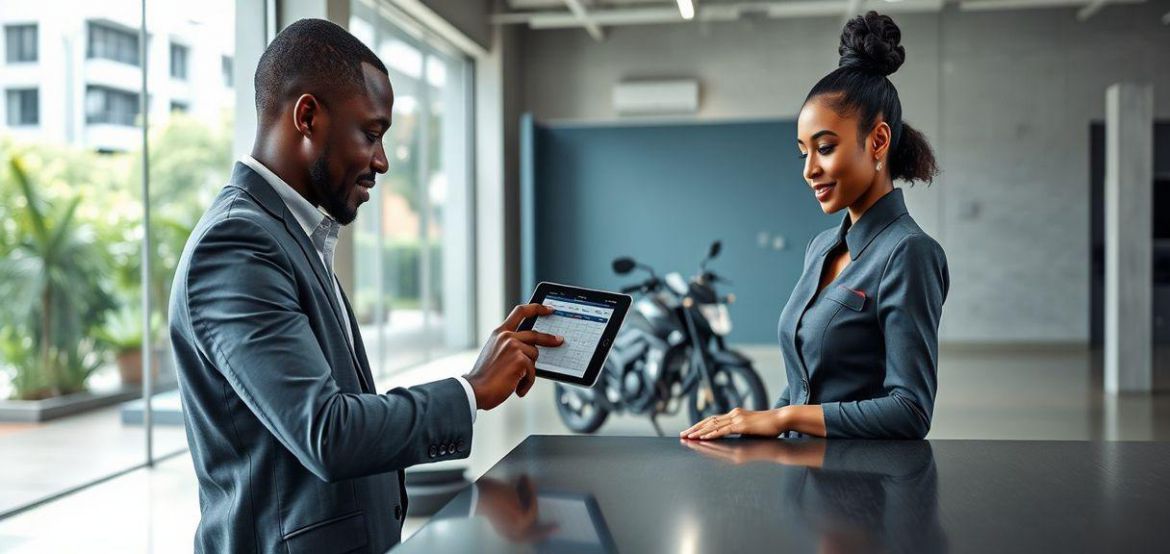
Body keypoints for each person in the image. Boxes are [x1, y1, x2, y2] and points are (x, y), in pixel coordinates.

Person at [168, 19, 563, 553]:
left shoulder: (293, 235)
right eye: (371, 135)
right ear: (307, 116)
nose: (382, 161)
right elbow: (326, 432)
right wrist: (471, 390)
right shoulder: (237, 244)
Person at [682, 11, 949, 441]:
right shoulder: (821, 248)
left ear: (878, 141)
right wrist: (758, 429)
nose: (810, 170)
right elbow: (803, 379)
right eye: (803, 152)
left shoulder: (910, 253)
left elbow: (910, 411)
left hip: (864, 492)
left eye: (825, 148)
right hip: (806, 481)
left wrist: (786, 418)